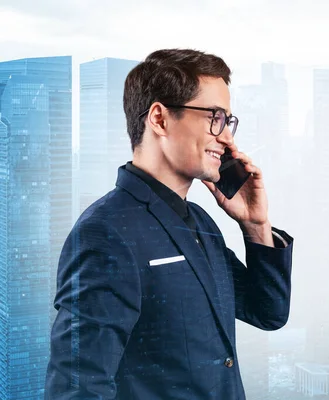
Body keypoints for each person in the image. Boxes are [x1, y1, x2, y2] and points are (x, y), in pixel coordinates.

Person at [44, 48, 294, 399]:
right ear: (159, 119)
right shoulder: (105, 232)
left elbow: (268, 312)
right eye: (214, 117)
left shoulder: (200, 222)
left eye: (228, 121)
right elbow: (78, 386)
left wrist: (256, 225)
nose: (226, 138)